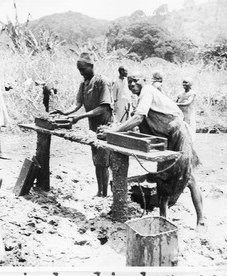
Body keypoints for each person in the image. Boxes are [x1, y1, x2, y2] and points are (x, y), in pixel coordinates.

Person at [101, 72, 204, 226]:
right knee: (162, 177)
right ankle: (163, 218)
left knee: (188, 177)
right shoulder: (140, 97)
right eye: (129, 82)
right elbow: (139, 123)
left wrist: (112, 132)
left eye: (135, 80)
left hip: (178, 135)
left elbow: (138, 118)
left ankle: (201, 220)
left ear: (145, 80)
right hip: (164, 139)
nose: (132, 84)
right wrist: (118, 129)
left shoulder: (147, 90)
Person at [54, 52, 113, 197]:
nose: (82, 73)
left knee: (104, 161)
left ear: (91, 66)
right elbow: (78, 103)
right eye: (79, 71)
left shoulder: (102, 81)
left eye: (84, 70)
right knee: (96, 160)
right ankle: (99, 191)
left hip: (106, 126)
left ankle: (104, 193)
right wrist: (65, 112)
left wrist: (79, 117)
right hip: (93, 126)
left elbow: (103, 107)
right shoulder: (83, 83)